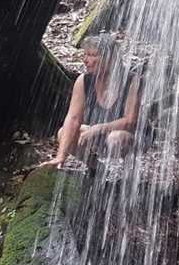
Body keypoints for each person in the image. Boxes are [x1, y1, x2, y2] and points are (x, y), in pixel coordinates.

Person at [44, 33, 142, 169]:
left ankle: (129, 172)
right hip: (98, 133)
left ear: (110, 58)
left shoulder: (132, 80)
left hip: (129, 136)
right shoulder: (83, 81)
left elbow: (130, 122)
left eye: (92, 55)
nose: (85, 60)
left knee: (115, 138)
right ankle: (96, 168)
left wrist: (100, 128)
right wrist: (61, 156)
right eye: (85, 54)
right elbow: (73, 118)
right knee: (63, 133)